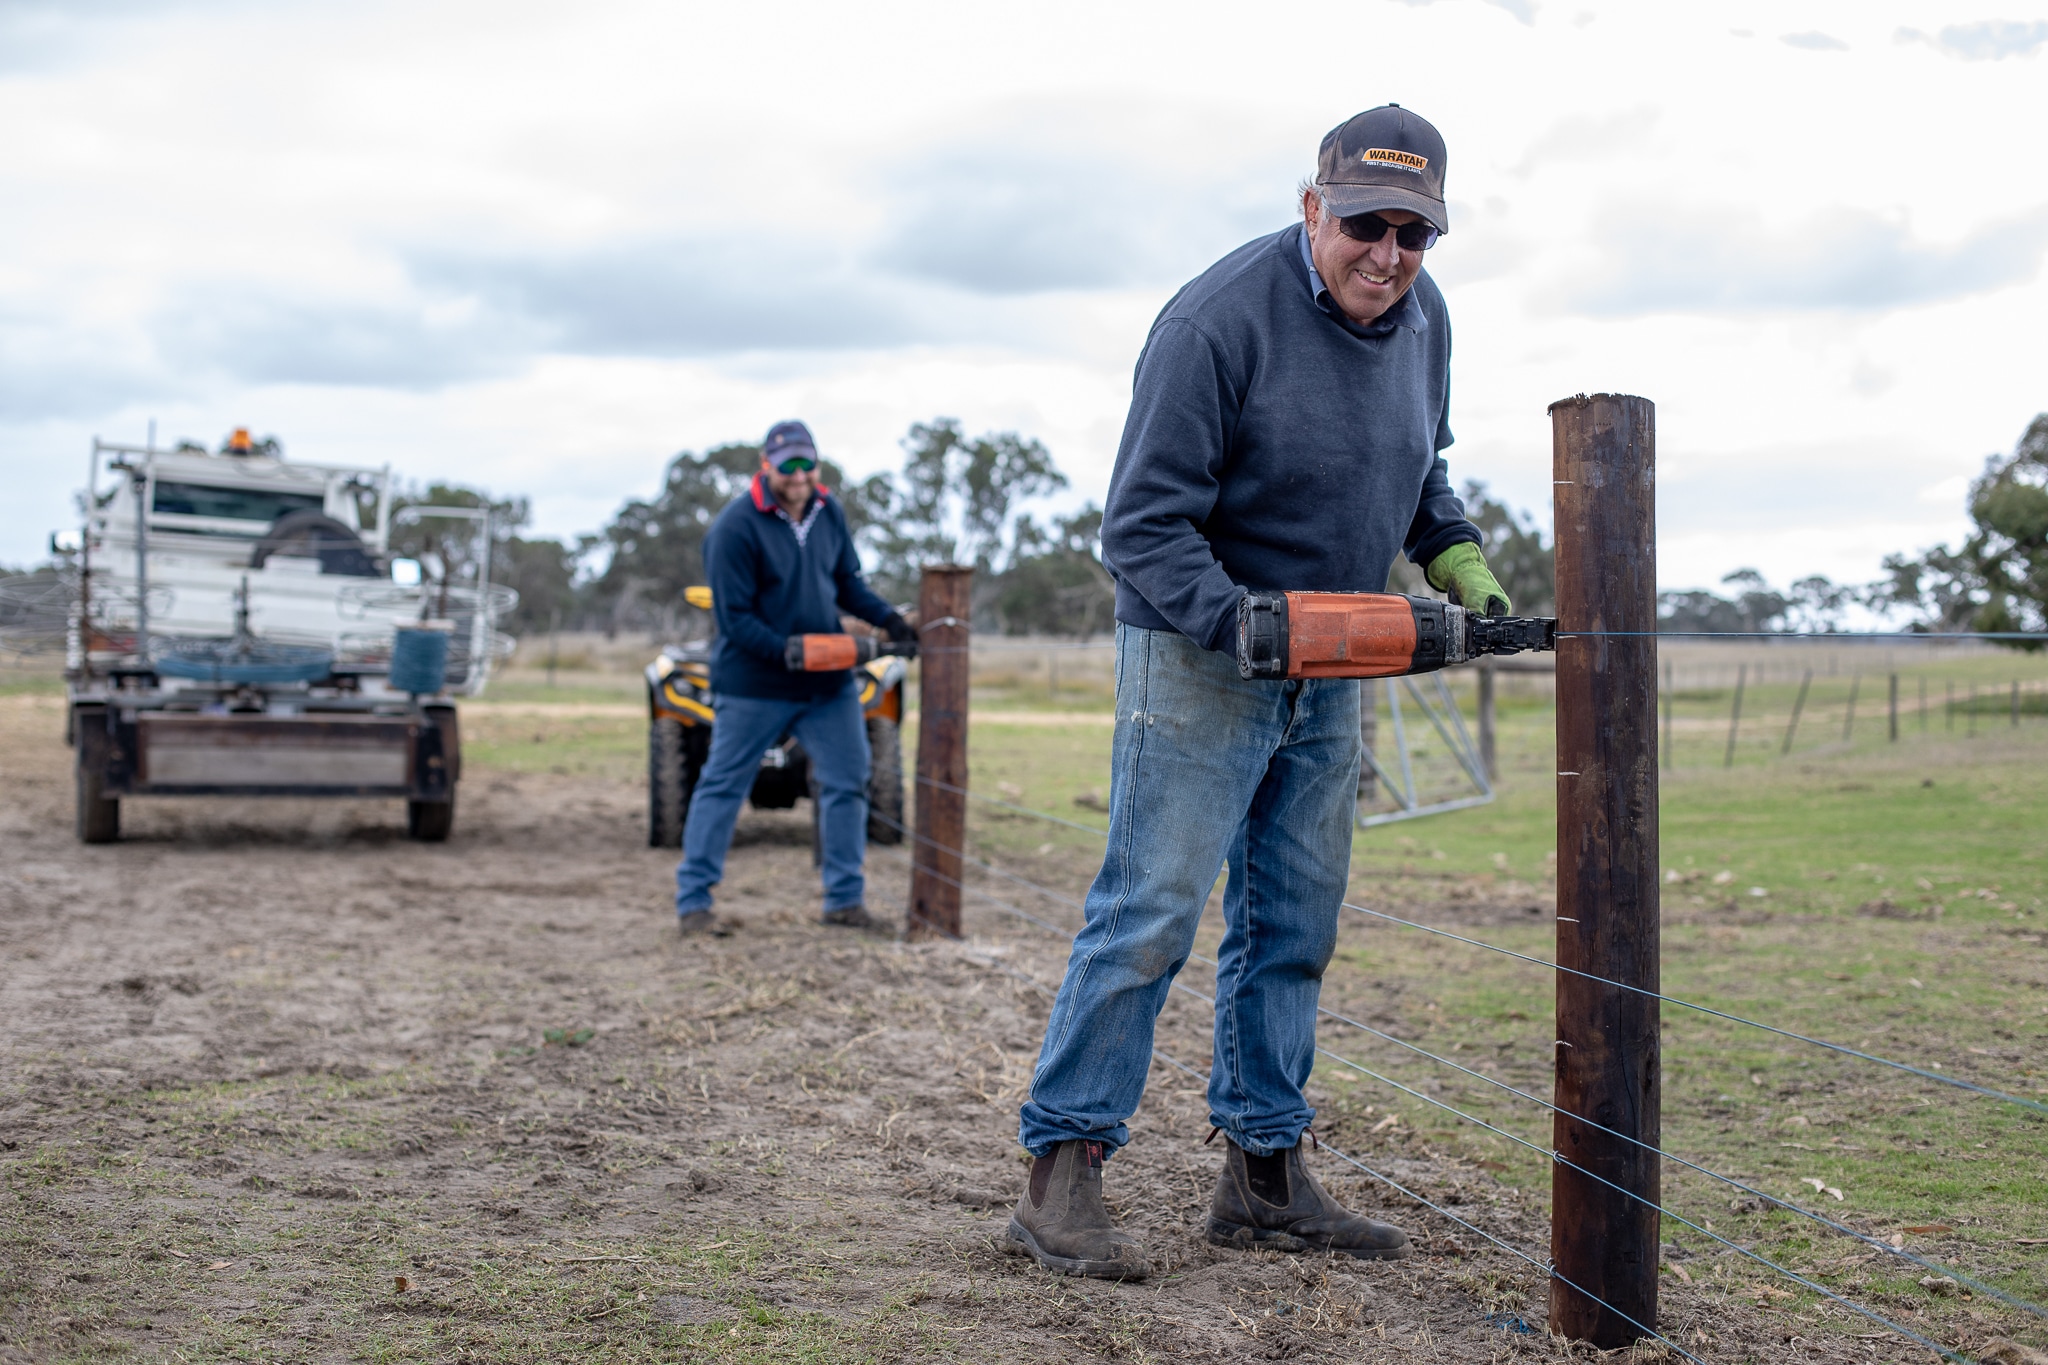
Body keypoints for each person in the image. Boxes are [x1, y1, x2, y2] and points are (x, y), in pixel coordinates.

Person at [1006, 106, 1514, 1280]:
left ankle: (1264, 1175)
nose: (1386, 256)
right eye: (1363, 226)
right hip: (1199, 655)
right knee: (1149, 912)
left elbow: (1417, 473)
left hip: (1331, 658)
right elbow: (1138, 527)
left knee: (1294, 922)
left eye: (1414, 235)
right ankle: (1061, 1176)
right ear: (1310, 208)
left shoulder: (1423, 318)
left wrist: (1457, 558)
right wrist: (1239, 622)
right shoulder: (1212, 322)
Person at [673, 420, 915, 938]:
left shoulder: (829, 513)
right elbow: (734, 620)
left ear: (817, 466)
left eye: (807, 463)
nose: (799, 474)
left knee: (849, 780)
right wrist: (788, 652)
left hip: (826, 686)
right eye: (788, 465)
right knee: (722, 784)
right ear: (767, 466)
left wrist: (889, 620)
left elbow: (847, 584)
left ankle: (844, 901)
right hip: (753, 685)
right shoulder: (734, 528)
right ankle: (694, 904)